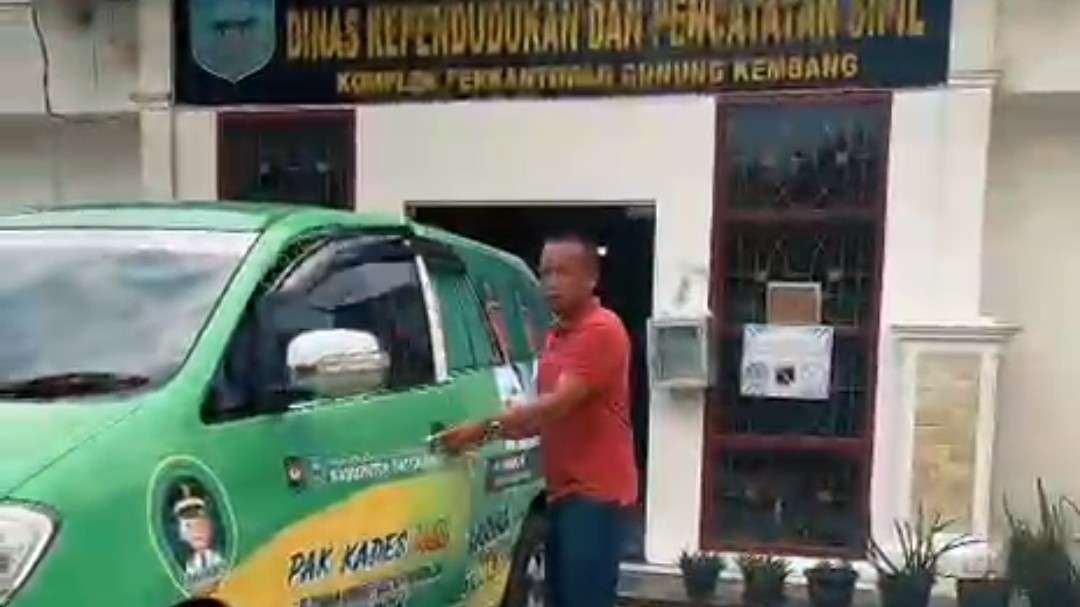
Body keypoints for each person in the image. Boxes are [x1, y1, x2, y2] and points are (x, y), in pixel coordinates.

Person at [436, 232, 637, 607]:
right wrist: (485, 433)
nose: (551, 283)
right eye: (545, 273)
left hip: (593, 496)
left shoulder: (601, 330)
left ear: (591, 278)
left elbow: (555, 406)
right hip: (561, 491)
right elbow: (541, 416)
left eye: (563, 272)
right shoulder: (556, 335)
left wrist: (485, 427)